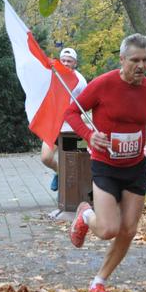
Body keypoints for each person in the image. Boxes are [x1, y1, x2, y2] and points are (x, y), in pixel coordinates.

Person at [63, 33, 146, 292]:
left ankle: (98, 282)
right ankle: (85, 215)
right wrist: (89, 136)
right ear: (122, 60)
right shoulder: (103, 85)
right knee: (109, 229)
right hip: (105, 166)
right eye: (135, 60)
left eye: (145, 60)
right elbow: (71, 112)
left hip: (135, 168)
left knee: (129, 230)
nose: (141, 66)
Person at [41, 47, 88, 191]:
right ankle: (59, 173)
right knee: (46, 158)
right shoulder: (53, 76)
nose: (66, 63)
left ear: (75, 63)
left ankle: (76, 195)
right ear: (59, 61)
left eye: (70, 61)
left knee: (76, 162)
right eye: (64, 60)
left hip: (73, 128)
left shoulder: (80, 81)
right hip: (55, 125)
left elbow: (86, 104)